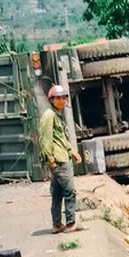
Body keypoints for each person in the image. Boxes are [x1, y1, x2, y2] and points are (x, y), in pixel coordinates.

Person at [39, 85, 87, 234]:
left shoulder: (56, 115)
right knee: (70, 191)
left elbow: (60, 138)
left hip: (61, 157)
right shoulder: (49, 115)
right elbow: (45, 138)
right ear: (51, 100)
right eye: (58, 98)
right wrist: (50, 159)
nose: (61, 101)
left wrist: (72, 151)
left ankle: (57, 224)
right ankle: (71, 223)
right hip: (58, 160)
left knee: (58, 194)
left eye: (63, 98)